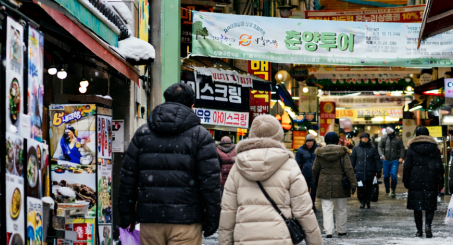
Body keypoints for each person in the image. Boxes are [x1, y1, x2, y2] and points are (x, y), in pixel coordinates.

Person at [118, 83, 221, 245]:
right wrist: (212, 218)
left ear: (165, 101)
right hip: (187, 221)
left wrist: (126, 214)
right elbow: (210, 183)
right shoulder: (201, 136)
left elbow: (128, 178)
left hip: (150, 219)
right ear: (192, 106)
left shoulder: (143, 134)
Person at [217, 115, 322, 245]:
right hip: (280, 237)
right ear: (278, 136)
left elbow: (228, 212)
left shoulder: (237, 167)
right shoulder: (289, 165)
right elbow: (304, 211)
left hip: (244, 238)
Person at [312, 132, 357, 238]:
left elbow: (314, 169)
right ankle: (341, 230)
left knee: (327, 208)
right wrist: (353, 183)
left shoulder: (320, 153)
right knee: (341, 208)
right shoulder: (343, 152)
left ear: (326, 141)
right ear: (337, 141)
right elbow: (348, 169)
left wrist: (316, 180)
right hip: (340, 183)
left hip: (324, 183)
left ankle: (329, 231)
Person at [403, 127, 444, 238]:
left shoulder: (411, 148)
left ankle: (419, 231)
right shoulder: (435, 149)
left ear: (416, 135)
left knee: (417, 207)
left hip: (415, 179)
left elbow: (407, 167)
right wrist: (441, 181)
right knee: (429, 206)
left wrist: (405, 180)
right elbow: (439, 166)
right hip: (431, 179)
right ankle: (428, 226)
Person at [349, 132, 381, 209]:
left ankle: (368, 201)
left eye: (366, 138)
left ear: (368, 139)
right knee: (360, 188)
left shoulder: (373, 149)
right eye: (363, 138)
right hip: (359, 172)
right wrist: (351, 170)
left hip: (370, 172)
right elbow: (352, 160)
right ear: (361, 139)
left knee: (369, 188)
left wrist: (378, 170)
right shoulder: (356, 149)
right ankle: (362, 201)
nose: (364, 140)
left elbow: (376, 160)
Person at [378, 127, 405, 198]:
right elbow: (380, 147)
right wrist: (381, 155)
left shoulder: (398, 139)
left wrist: (401, 157)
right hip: (385, 160)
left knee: (393, 175)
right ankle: (387, 189)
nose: (388, 131)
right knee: (386, 176)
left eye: (390, 129)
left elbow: (402, 148)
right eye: (387, 130)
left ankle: (393, 189)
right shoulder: (384, 138)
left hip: (395, 160)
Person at [295, 134, 318, 209]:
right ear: (305, 142)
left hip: (315, 174)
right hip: (304, 173)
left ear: (314, 142)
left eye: (311, 141)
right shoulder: (301, 150)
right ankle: (307, 205)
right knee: (305, 191)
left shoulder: (318, 149)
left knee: (314, 191)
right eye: (308, 141)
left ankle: (312, 204)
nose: (309, 143)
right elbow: (297, 163)